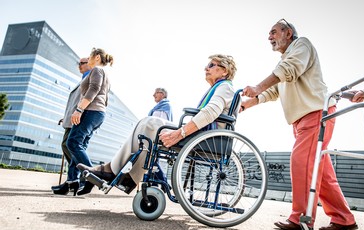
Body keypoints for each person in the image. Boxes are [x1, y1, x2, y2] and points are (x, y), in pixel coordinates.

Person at [241, 19, 357, 230]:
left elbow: (288, 70)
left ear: (288, 32)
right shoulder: (286, 61)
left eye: (274, 32)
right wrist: (252, 102)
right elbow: (276, 90)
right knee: (320, 174)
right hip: (303, 119)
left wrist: (258, 86)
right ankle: (343, 217)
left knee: (302, 163)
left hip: (316, 114)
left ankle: (301, 218)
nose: (269, 37)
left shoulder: (301, 46)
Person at [76, 54, 238, 195]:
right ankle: (116, 172)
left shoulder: (225, 87)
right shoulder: (220, 88)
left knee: (150, 123)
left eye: (211, 65)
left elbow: (210, 113)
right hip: (204, 136)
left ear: (224, 70)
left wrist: (180, 133)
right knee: (146, 124)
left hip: (206, 140)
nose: (206, 68)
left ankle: (113, 172)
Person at [67, 48, 114, 195]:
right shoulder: (105, 73)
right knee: (80, 145)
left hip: (91, 111)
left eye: (90, 56)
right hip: (98, 113)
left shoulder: (97, 70)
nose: (88, 58)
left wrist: (79, 109)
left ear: (97, 57)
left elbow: (93, 89)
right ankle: (81, 181)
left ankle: (95, 177)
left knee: (73, 142)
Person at [51, 58, 92, 195]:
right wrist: (66, 117)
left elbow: (85, 101)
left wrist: (79, 114)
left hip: (78, 118)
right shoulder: (82, 79)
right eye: (78, 63)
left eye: (82, 63)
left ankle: (82, 176)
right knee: (68, 146)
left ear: (90, 64)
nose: (79, 65)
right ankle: (73, 180)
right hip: (72, 118)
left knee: (70, 146)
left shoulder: (90, 78)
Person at [148, 87, 173, 184]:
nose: (153, 95)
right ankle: (158, 182)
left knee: (152, 160)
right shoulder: (159, 106)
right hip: (154, 136)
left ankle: (162, 181)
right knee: (152, 160)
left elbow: (162, 123)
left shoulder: (165, 106)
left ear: (163, 94)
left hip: (158, 136)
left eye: (156, 93)